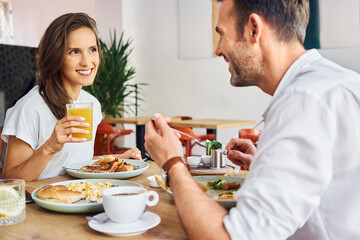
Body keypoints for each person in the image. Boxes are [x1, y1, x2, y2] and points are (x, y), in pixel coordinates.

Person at [144, 0, 360, 239]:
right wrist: (265, 164)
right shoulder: (341, 81)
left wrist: (172, 162)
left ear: (253, 29)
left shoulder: (301, 100)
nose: (218, 50)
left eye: (221, 34)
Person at [1, 13, 141, 181]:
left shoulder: (92, 104)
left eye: (92, 49)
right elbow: (10, 179)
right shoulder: (30, 108)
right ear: (56, 57)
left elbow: (77, 164)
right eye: (74, 51)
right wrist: (49, 147)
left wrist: (116, 159)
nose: (87, 61)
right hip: (38, 204)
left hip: (79, 199)